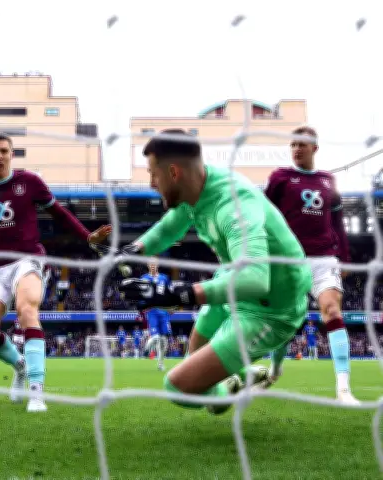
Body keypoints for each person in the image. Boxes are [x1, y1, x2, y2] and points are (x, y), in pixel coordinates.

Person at [108, 129, 309, 414]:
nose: (152, 183)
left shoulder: (235, 204)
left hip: (271, 309)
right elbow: (170, 226)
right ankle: (233, 383)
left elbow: (255, 278)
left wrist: (178, 294)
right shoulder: (197, 189)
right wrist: (132, 251)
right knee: (197, 360)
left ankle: (228, 387)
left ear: (174, 172)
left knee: (178, 388)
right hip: (232, 287)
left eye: (153, 174)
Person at [0, 133, 112, 412]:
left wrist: (87, 237)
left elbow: (60, 214)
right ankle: (20, 365)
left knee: (28, 310)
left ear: (11, 155)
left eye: (4, 151)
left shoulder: (30, 182)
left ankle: (37, 393)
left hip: (28, 260)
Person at [265, 126, 358, 404]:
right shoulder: (280, 178)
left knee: (331, 310)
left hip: (323, 258)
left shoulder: (328, 181)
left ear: (314, 148)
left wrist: (344, 257)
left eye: (301, 145)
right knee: (285, 322)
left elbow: (339, 224)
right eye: (292, 145)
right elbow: (266, 215)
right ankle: (275, 369)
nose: (296, 149)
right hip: (290, 259)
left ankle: (343, 388)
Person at [140, 261, 172, 371]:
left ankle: (160, 364)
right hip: (152, 311)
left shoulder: (165, 278)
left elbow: (170, 293)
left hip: (164, 311)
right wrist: (143, 306)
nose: (153, 266)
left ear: (157, 265)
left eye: (154, 264)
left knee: (163, 340)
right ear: (148, 266)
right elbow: (141, 294)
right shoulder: (144, 278)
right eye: (151, 264)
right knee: (156, 337)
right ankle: (146, 349)